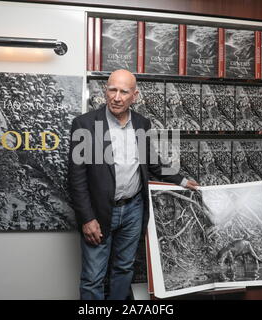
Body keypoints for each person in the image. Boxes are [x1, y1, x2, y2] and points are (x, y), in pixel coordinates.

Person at [68, 69, 198, 300]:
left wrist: (182, 180)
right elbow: (76, 178)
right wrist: (87, 219)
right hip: (99, 212)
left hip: (133, 210)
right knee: (93, 277)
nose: (116, 97)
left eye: (123, 92)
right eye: (112, 90)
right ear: (105, 91)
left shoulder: (141, 123)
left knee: (124, 270)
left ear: (134, 96)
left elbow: (152, 162)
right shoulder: (85, 124)